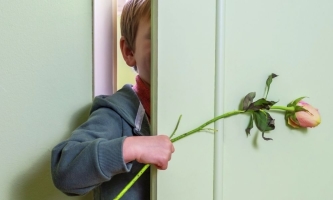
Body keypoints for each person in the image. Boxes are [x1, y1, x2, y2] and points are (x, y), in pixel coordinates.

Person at [51, 0, 175, 199]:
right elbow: (64, 171)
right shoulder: (117, 114)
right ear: (129, 51)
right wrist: (131, 147)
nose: (172, 46)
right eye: (156, 33)